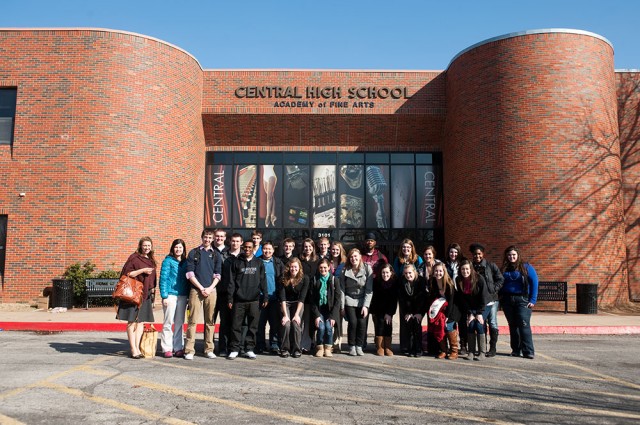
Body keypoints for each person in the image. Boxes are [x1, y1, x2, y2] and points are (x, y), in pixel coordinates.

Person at [184, 228, 223, 360]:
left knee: (210, 322)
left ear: (213, 239)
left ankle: (209, 349)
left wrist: (210, 288)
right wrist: (201, 288)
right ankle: (189, 350)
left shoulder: (217, 255)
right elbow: (190, 274)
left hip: (211, 290)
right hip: (196, 290)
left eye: (210, 238)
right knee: (192, 321)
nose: (207, 240)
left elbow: (218, 274)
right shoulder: (194, 252)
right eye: (205, 237)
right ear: (202, 238)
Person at [117, 236, 157, 359]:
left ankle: (138, 347)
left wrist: (153, 292)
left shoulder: (151, 260)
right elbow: (128, 274)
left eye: (149, 246)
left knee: (140, 322)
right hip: (134, 294)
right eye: (145, 245)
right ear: (140, 246)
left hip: (146, 294)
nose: (147, 248)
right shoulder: (134, 258)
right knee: (132, 321)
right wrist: (143, 270)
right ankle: (133, 348)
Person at [227, 240, 268, 360]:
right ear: (243, 248)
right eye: (245, 247)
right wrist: (230, 298)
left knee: (253, 326)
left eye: (250, 247)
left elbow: (263, 281)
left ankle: (249, 349)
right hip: (239, 300)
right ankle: (234, 349)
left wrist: (265, 295)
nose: (247, 249)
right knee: (236, 326)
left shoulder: (259, 262)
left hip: (254, 300)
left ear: (253, 248)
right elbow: (231, 282)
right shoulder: (236, 262)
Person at [500, 245, 538, 359]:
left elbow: (534, 282)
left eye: (513, 255)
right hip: (507, 300)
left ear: (518, 255)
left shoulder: (526, 267)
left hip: (522, 300)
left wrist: (533, 299)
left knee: (524, 324)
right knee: (512, 325)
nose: (511, 257)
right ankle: (516, 350)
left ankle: (528, 351)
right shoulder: (504, 268)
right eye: (509, 255)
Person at [470, 243, 504, 357]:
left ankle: (492, 348)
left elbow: (500, 279)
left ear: (483, 254)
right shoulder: (471, 267)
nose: (477, 256)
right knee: (481, 322)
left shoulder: (491, 265)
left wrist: (493, 289)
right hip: (479, 300)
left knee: (492, 322)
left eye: (479, 254)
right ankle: (482, 349)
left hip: (492, 299)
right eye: (475, 254)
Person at [159, 239, 189, 358]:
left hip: (182, 295)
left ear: (183, 249)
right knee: (168, 322)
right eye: (176, 247)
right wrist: (164, 296)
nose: (178, 249)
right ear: (172, 248)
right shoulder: (167, 261)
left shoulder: (186, 262)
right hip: (170, 295)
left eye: (180, 247)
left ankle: (178, 348)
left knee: (179, 323)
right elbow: (163, 279)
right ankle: (167, 348)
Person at [340, 248, 373, 356]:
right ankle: (352, 346)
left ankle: (359, 346)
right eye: (351, 257)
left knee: (362, 322)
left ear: (360, 257)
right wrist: (342, 306)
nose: (353, 259)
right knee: (353, 322)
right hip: (349, 299)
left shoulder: (367, 269)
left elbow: (369, 290)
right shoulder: (345, 270)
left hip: (362, 299)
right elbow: (342, 290)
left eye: (356, 256)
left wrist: (366, 306)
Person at [392, 238, 423, 352]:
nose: (406, 249)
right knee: (405, 319)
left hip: (415, 292)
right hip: (403, 291)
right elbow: (395, 275)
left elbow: (420, 274)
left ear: (412, 248)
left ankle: (416, 346)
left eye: (408, 247)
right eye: (404, 247)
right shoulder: (398, 260)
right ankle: (405, 346)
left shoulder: (418, 259)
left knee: (415, 320)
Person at [456, 259, 490, 361]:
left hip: (484, 305)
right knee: (470, 324)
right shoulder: (459, 280)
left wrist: (479, 313)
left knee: (479, 325)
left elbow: (483, 297)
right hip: (471, 307)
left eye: (467, 269)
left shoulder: (479, 279)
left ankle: (482, 352)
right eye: (462, 269)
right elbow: (463, 299)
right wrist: (470, 313)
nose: (465, 271)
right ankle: (471, 351)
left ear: (471, 269)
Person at [214, 232, 242, 356]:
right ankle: (223, 348)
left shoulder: (243, 256)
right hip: (225, 293)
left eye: (237, 241)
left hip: (240, 295)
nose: (235, 243)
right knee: (224, 322)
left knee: (237, 323)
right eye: (233, 241)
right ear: (229, 242)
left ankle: (235, 348)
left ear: (241, 242)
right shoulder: (223, 256)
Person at [427, 262, 460, 359]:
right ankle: (444, 350)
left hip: (452, 309)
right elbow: (433, 298)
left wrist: (448, 316)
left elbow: (451, 302)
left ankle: (454, 351)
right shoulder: (433, 282)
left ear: (444, 271)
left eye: (440, 271)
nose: (438, 273)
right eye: (436, 271)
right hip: (440, 308)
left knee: (448, 326)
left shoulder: (449, 284)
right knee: (439, 326)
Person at [256, 241, 284, 355]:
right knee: (260, 324)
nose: (267, 251)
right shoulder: (257, 261)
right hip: (260, 298)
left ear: (273, 250)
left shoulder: (278, 263)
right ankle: (260, 345)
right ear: (262, 250)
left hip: (274, 298)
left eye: (269, 249)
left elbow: (282, 280)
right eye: (265, 249)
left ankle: (274, 344)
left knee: (274, 323)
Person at [278, 257, 309, 358]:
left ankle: (296, 349)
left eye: (295, 267)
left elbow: (302, 298)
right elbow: (282, 297)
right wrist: (285, 315)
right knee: (286, 324)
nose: (293, 269)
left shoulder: (305, 279)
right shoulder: (283, 278)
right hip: (285, 303)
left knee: (296, 324)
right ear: (288, 268)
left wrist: (297, 315)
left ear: (299, 267)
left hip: (298, 304)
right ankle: (285, 349)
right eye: (291, 267)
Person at [311, 258, 342, 357]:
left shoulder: (334, 280)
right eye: (321, 267)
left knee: (328, 327)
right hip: (319, 309)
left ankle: (328, 347)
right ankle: (319, 346)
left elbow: (337, 299)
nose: (323, 269)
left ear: (329, 267)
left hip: (330, 310)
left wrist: (333, 316)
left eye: (325, 267)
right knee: (321, 327)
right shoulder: (315, 280)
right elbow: (312, 300)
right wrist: (316, 315)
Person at [397, 263, 428, 357]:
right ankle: (411, 348)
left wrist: (419, 313)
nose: (408, 275)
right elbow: (402, 300)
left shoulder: (421, 281)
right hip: (408, 309)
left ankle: (418, 348)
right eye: (406, 273)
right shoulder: (402, 282)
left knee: (417, 323)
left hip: (420, 308)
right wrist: (407, 313)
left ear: (414, 272)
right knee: (409, 323)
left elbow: (424, 299)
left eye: (410, 273)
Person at [370, 263, 398, 356]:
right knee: (380, 325)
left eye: (387, 272)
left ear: (391, 273)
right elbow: (374, 299)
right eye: (383, 273)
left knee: (388, 325)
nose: (385, 275)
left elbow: (394, 300)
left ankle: (387, 347)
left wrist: (389, 313)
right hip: (377, 309)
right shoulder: (376, 282)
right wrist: (374, 312)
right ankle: (380, 346)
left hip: (389, 310)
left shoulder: (394, 283)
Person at [299, 238, 318, 353]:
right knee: (300, 321)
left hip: (313, 295)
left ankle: (308, 343)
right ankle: (300, 343)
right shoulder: (299, 260)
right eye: (306, 246)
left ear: (313, 248)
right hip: (301, 295)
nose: (308, 248)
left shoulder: (317, 260)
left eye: (310, 246)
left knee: (310, 322)